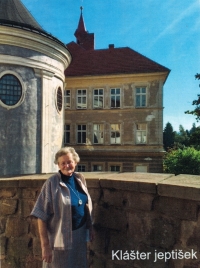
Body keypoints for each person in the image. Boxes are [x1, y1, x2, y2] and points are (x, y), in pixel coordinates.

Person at [31, 147, 93, 268]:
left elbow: (84, 205)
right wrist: (45, 246)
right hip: (59, 238)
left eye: (69, 162)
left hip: (79, 236)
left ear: (75, 162)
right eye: (62, 163)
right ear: (58, 165)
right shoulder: (52, 183)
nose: (67, 165)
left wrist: (90, 227)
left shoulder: (80, 179)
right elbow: (41, 215)